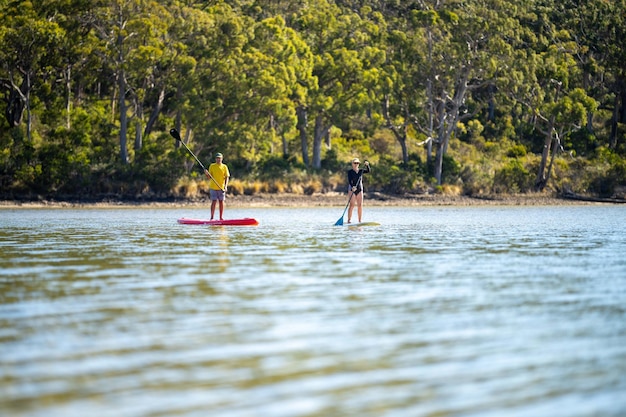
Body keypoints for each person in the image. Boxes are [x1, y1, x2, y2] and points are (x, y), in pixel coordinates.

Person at [206, 152, 230, 220]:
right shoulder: (212, 166)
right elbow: (208, 177)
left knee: (221, 202)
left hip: (221, 187)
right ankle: (212, 217)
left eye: (219, 158)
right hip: (213, 187)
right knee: (214, 201)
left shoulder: (224, 167)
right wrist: (206, 173)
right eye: (217, 158)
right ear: (215, 159)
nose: (218, 159)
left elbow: (227, 177)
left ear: (222, 159)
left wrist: (225, 186)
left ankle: (221, 217)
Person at [346, 157, 370, 223]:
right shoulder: (350, 172)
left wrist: (367, 165)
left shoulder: (361, 171)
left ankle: (359, 220)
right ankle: (349, 220)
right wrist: (353, 187)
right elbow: (349, 180)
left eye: (357, 163)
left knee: (360, 205)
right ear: (352, 164)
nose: (356, 164)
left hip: (360, 189)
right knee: (352, 205)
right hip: (352, 189)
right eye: (355, 163)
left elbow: (368, 171)